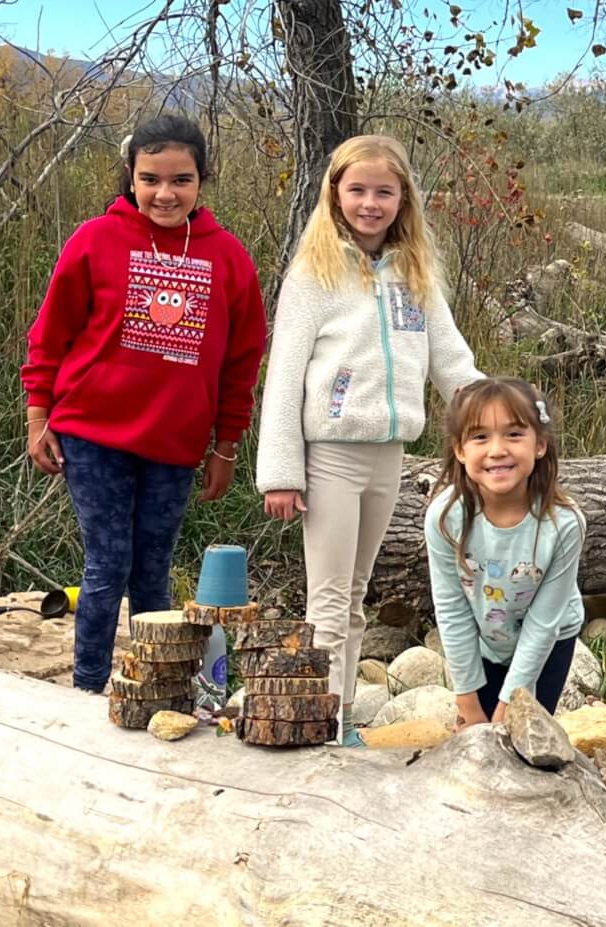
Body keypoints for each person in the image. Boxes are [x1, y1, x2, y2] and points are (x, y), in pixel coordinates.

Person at [21, 114, 266, 694]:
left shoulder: (228, 258)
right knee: (107, 568)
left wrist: (226, 446)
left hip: (175, 445)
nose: (165, 193)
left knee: (153, 574)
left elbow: (241, 363)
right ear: (130, 177)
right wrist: (37, 416)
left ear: (202, 180)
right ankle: (87, 690)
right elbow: (49, 336)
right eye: (150, 178)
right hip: (93, 435)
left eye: (180, 179)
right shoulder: (96, 240)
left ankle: (154, 690)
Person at [256, 134, 483, 746]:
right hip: (329, 454)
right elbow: (284, 374)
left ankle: (343, 715)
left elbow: (453, 366)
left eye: (384, 191)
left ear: (404, 198)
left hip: (388, 453)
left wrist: (509, 413)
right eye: (357, 190)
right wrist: (281, 471)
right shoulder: (314, 274)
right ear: (335, 194)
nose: (370, 203)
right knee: (328, 597)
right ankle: (321, 725)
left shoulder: (416, 278)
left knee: (356, 592)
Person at [424, 377, 585, 728]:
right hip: (483, 641)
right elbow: (451, 608)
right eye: (480, 437)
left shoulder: (564, 524)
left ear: (540, 444)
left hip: (551, 642)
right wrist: (467, 698)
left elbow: (543, 624)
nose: (497, 449)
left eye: (514, 434)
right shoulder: (444, 518)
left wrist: (509, 705)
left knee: (525, 741)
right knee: (477, 740)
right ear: (460, 449)